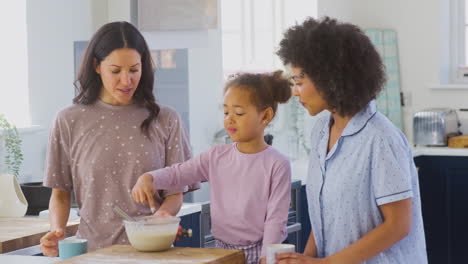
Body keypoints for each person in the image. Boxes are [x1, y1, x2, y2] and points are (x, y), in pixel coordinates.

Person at [274, 17, 427, 263]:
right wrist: (306, 259)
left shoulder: (380, 139)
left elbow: (398, 226)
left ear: (330, 79)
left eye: (299, 82)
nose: (295, 91)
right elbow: (324, 215)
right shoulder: (322, 130)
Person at [40, 21, 198, 256]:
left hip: (152, 253)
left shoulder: (166, 119)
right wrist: (56, 231)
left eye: (134, 70)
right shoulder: (68, 120)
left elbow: (175, 194)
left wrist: (160, 219)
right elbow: (60, 194)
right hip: (91, 255)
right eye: (116, 71)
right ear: (96, 66)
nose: (126, 81)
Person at [132, 71, 292, 264]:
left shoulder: (277, 164)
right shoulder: (216, 156)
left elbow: (276, 219)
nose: (229, 119)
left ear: (265, 115)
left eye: (239, 113)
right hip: (220, 252)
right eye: (226, 112)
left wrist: (268, 257)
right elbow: (179, 173)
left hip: (261, 255)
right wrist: (150, 178)